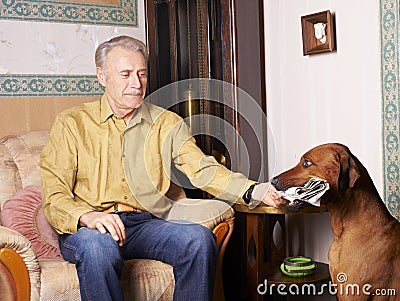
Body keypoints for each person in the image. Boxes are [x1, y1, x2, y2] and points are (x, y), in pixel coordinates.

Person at [40, 35, 286, 301]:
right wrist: (88, 217)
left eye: (142, 74)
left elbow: (201, 169)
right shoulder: (71, 123)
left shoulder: (166, 123)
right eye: (125, 74)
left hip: (143, 224)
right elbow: (54, 195)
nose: (136, 84)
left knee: (198, 240)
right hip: (88, 229)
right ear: (102, 76)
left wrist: (253, 190)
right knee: (99, 248)